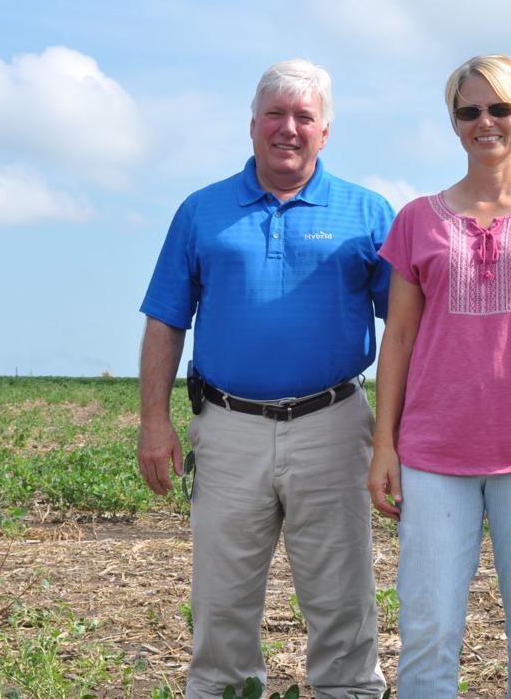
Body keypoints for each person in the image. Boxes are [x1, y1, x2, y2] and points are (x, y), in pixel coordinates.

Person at [136, 59, 392, 699]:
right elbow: (166, 321)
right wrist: (153, 421)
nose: (288, 128)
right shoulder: (202, 211)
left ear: (325, 132)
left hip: (334, 425)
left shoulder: (369, 212)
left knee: (342, 598)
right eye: (275, 115)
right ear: (252, 125)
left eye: (304, 117)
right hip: (228, 428)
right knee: (222, 600)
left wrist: (400, 430)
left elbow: (411, 328)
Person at [367, 54, 511, 698]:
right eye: (469, 110)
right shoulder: (417, 219)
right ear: (454, 123)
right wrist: (384, 446)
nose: (486, 122)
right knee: (427, 633)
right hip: (433, 452)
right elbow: (400, 339)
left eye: (500, 108)